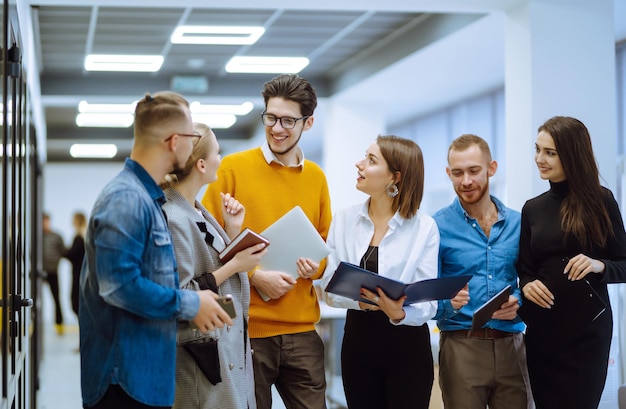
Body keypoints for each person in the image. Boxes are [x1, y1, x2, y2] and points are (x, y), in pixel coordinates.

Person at [79, 91, 234, 409]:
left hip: (147, 378)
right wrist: (191, 303)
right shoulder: (126, 199)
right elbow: (119, 287)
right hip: (123, 382)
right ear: (174, 141)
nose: (194, 145)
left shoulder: (149, 200)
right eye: (192, 137)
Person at [201, 73, 332, 409]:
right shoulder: (232, 169)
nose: (277, 128)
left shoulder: (316, 178)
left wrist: (311, 268)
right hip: (247, 331)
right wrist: (255, 276)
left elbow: (323, 248)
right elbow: (206, 246)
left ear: (309, 122)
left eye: (288, 120)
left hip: (303, 331)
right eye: (271, 117)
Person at [321, 135, 439, 409]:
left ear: (394, 178)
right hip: (358, 341)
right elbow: (329, 285)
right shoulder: (345, 219)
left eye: (371, 160)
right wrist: (360, 301)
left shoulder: (424, 227)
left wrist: (398, 312)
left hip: (407, 345)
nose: (359, 164)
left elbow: (428, 302)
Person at [517, 116, 626, 409]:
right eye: (537, 150)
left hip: (587, 335)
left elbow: (624, 263)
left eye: (550, 152)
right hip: (542, 332)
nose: (540, 159)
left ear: (572, 154)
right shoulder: (532, 209)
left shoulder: (601, 201)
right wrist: (527, 286)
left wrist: (599, 265)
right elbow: (525, 270)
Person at [162, 123, 267, 409]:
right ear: (200, 164)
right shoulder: (173, 217)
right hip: (200, 352)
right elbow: (181, 294)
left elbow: (217, 267)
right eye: (217, 153)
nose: (221, 159)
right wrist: (236, 265)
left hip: (225, 341)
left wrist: (233, 231)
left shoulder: (197, 209)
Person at [432, 134, 533, 409]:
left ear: (492, 168)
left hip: (512, 345)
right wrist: (446, 304)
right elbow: (427, 293)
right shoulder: (435, 227)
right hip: (461, 346)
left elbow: (530, 278)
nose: (466, 181)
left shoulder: (520, 223)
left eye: (474, 171)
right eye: (457, 173)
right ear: (448, 174)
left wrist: (519, 301)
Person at [42, 212, 66, 334]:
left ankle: (59, 325)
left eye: (46, 220)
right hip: (39, 273)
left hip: (53, 271)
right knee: (34, 300)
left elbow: (64, 252)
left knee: (56, 298)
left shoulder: (56, 236)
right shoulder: (36, 236)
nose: (44, 223)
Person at [65, 211, 87, 319]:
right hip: (83, 273)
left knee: (76, 302)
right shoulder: (86, 236)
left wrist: (61, 251)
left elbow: (72, 255)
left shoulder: (79, 238)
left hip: (78, 273)